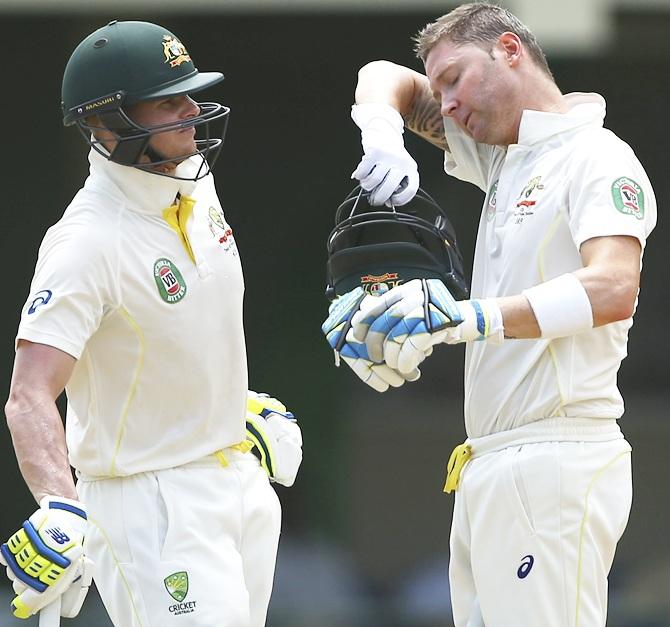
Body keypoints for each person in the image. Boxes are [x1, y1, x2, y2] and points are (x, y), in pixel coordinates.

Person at [328, 3, 656, 626]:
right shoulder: (506, 158)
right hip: (490, 463)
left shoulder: (597, 156)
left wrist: (465, 318)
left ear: (510, 50)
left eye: (453, 79)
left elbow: (615, 286)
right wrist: (382, 136)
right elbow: (383, 76)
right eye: (440, 87)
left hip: (556, 457)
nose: (444, 103)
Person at [0, 20, 302, 627]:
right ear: (107, 121)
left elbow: (176, 331)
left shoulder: (193, 187)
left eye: (190, 94)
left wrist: (225, 409)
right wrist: (62, 505)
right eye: (170, 102)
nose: (192, 111)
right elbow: (28, 395)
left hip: (235, 481)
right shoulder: (85, 242)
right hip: (151, 505)